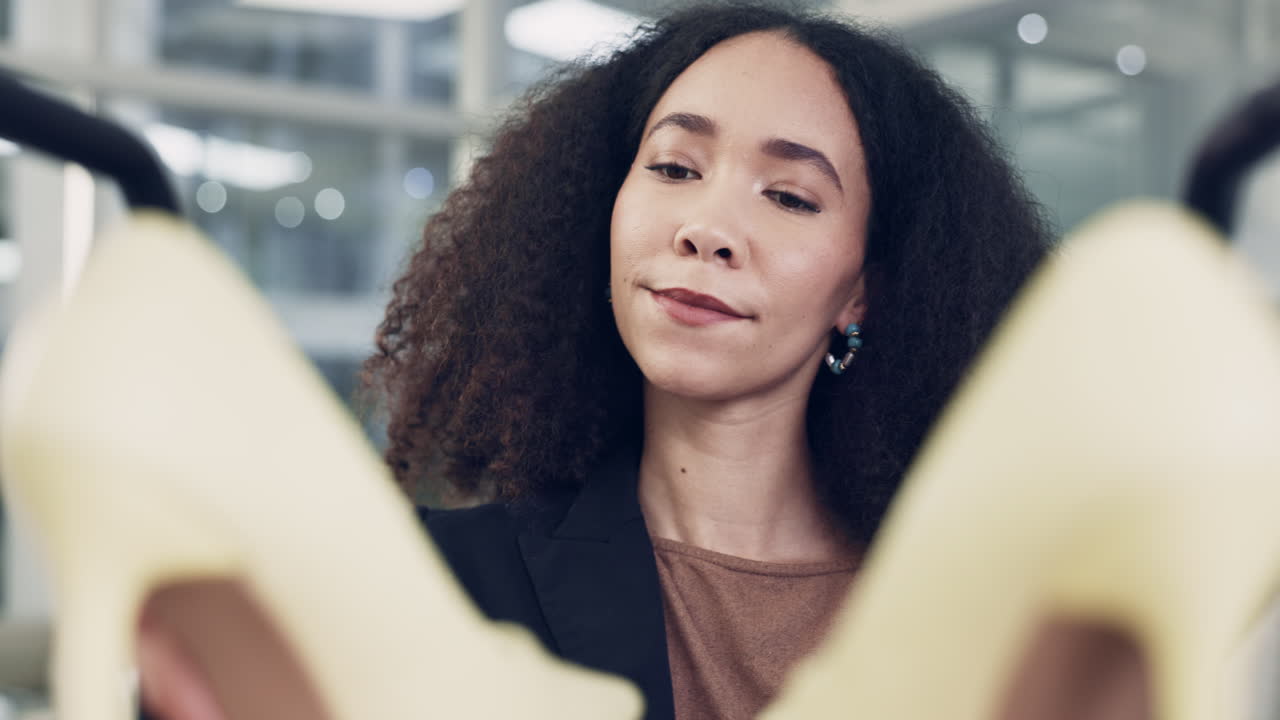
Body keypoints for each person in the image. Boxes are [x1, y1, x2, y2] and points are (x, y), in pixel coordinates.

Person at [139, 3, 1051, 719]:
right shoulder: (439, 586)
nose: (706, 229)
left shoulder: (988, 620)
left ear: (865, 292)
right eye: (674, 168)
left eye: (788, 195)